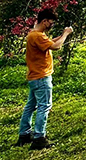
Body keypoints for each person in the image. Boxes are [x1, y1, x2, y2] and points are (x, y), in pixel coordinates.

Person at [14, 9, 73, 150]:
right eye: (51, 22)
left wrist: (60, 36)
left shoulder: (34, 35)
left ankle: (24, 135)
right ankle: (39, 138)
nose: (51, 25)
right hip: (42, 77)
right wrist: (66, 34)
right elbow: (56, 47)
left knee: (30, 106)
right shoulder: (38, 35)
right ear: (44, 20)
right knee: (44, 106)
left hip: (34, 77)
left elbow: (49, 42)